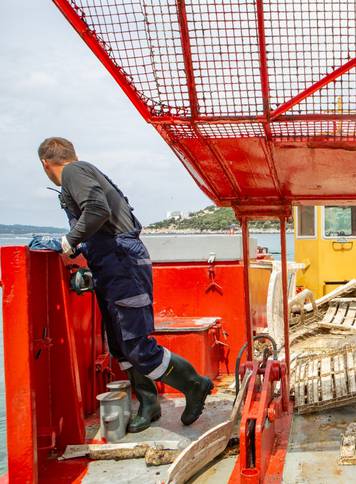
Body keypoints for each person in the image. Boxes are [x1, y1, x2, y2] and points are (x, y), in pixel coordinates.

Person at [38, 137, 213, 432]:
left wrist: (70, 240)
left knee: (137, 345)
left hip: (122, 264)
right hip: (109, 265)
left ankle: (195, 384)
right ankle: (149, 404)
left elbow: (97, 209)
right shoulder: (82, 172)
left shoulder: (73, 172)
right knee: (120, 346)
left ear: (45, 164)